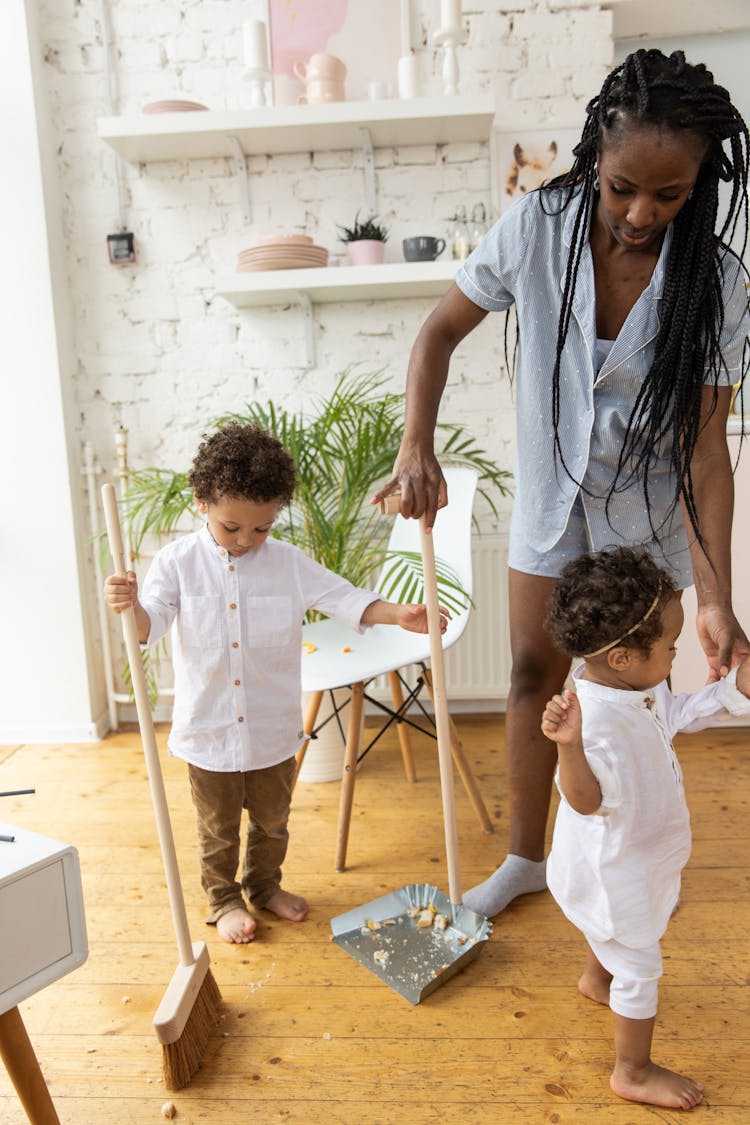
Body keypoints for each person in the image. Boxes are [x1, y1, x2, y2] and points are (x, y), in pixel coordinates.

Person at [372, 48, 750, 917]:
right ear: (595, 158)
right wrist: (416, 445)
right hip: (552, 502)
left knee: (632, 698)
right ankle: (524, 859)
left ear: (702, 183)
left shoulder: (720, 285)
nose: (640, 213)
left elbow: (704, 451)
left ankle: (623, 862)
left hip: (648, 520)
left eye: (669, 194)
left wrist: (717, 597)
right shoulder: (536, 226)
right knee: (531, 672)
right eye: (622, 187)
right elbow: (437, 332)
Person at [104, 422, 445, 944]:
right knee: (217, 831)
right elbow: (151, 624)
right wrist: (130, 608)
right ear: (202, 503)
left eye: (260, 529)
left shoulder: (286, 563)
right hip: (209, 733)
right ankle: (222, 899)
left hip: (271, 730)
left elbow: (346, 599)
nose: (246, 541)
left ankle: (263, 887)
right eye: (231, 528)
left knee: (272, 823)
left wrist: (400, 614)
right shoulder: (176, 563)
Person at [541, 546, 750, 1109]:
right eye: (669, 647)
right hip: (616, 865)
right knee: (639, 954)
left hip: (631, 853)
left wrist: (735, 692)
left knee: (617, 928)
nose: (676, 654)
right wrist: (570, 750)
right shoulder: (596, 722)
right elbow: (584, 802)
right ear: (623, 657)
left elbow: (673, 716)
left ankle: (596, 979)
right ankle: (632, 1070)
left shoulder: (634, 686)